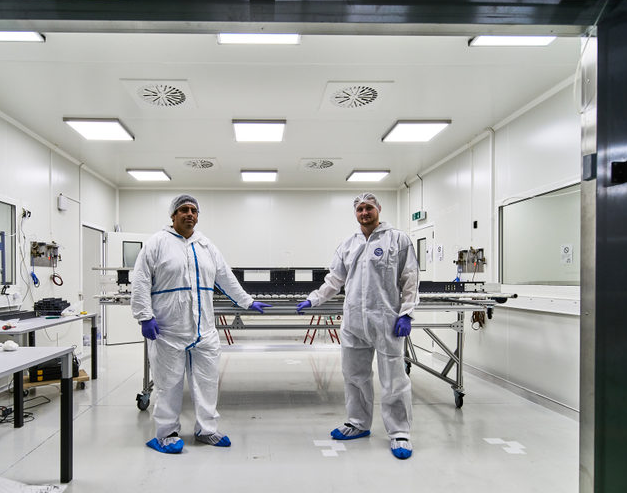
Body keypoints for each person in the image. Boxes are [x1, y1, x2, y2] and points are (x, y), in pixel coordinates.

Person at [130, 194, 271, 454]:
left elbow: (225, 277)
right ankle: (165, 434)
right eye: (184, 210)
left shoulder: (206, 245)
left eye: (194, 211)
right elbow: (140, 281)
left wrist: (247, 301)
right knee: (168, 383)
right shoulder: (156, 243)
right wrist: (144, 316)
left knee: (207, 382)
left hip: (204, 330)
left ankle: (206, 430)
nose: (189, 214)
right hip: (168, 330)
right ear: (173, 215)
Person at [296, 192, 419, 459]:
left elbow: (410, 278)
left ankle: (399, 432)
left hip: (386, 320)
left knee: (394, 379)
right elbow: (334, 280)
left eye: (369, 208)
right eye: (360, 209)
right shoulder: (348, 244)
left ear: (378, 209)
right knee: (354, 375)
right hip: (353, 320)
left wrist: (407, 313)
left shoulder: (398, 240)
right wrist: (314, 299)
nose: (364, 213)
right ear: (355, 213)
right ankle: (358, 423)